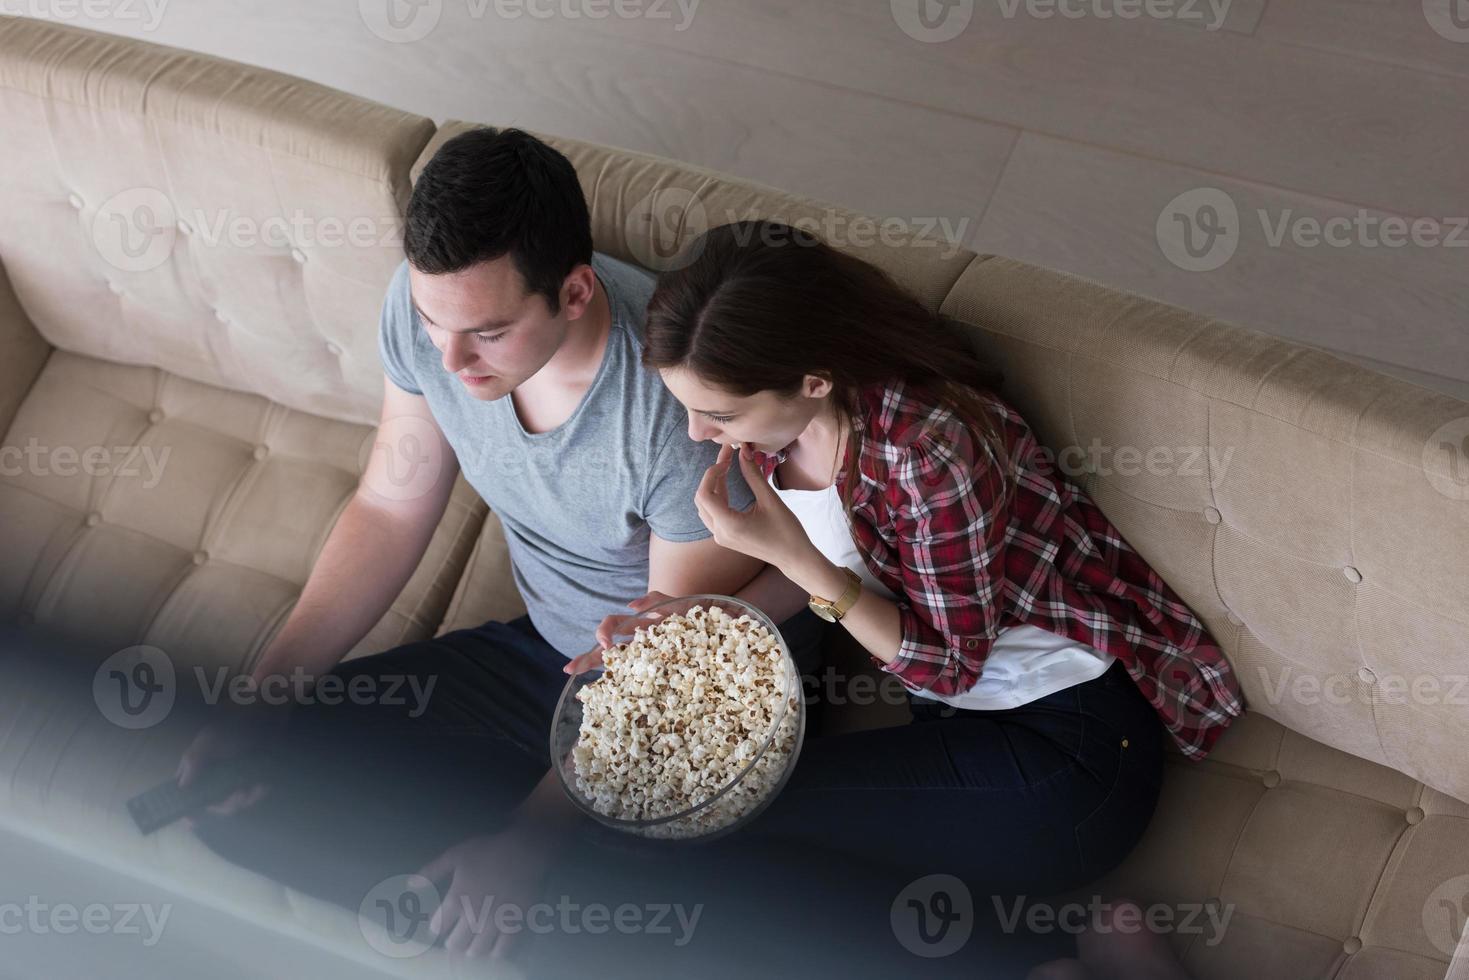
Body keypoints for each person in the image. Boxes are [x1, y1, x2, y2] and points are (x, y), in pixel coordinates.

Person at [171, 129, 839, 969]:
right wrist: (262, 694)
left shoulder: (676, 418)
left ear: (572, 292)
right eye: (430, 321)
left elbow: (673, 665)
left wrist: (526, 843)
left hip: (682, 697)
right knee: (246, 795)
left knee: (563, 917)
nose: (448, 360)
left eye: (486, 333)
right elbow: (388, 506)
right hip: (542, 661)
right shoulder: (432, 315)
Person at [577, 219, 1243, 968]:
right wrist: (700, 624)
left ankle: (1046, 959)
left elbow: (948, 666)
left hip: (1067, 750)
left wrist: (793, 558)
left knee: (736, 822)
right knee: (715, 830)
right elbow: (828, 568)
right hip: (956, 726)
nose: (698, 433)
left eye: (719, 413)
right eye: (690, 407)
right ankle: (1071, 953)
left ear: (813, 380)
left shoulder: (929, 449)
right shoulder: (783, 429)